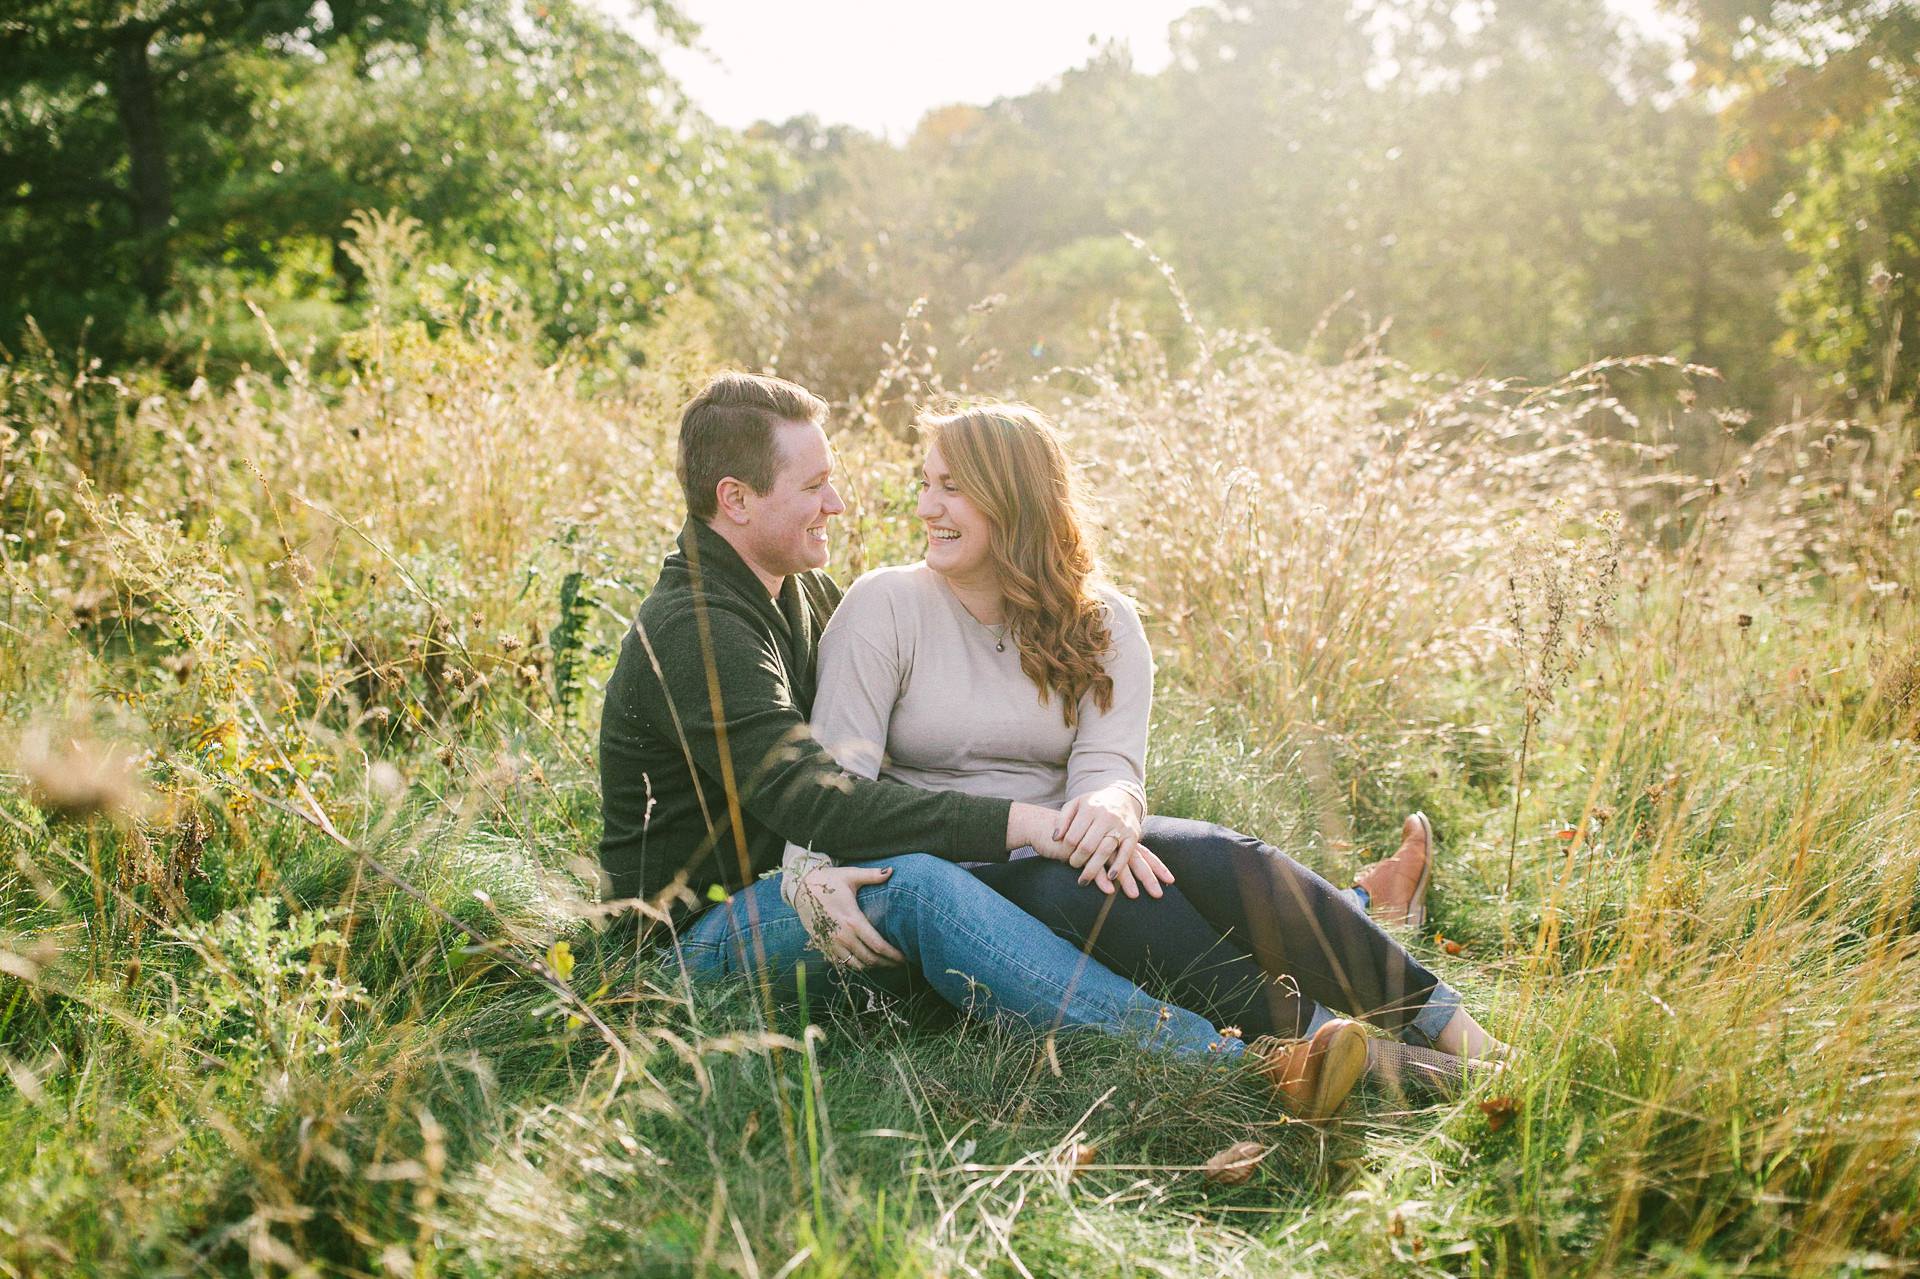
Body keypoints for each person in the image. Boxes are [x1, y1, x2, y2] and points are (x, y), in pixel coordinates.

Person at [598, 371, 1372, 1118]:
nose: (837, 503)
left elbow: (837, 751)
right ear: (733, 499)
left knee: (1174, 857)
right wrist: (824, 871)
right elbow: (809, 794)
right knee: (919, 887)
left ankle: (1360, 938)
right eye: (812, 487)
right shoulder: (696, 629)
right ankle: (1236, 1066)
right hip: (683, 945)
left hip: (798, 884)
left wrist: (812, 867)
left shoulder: (795, 591)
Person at [780, 400, 1509, 1078]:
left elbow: (1109, 762)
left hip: (1063, 843)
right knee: (1110, 889)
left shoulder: (1102, 621)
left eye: (953, 488)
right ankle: (1345, 1050)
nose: (927, 507)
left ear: (1016, 500)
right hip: (947, 870)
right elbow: (838, 780)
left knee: (1224, 858)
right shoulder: (886, 606)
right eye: (927, 483)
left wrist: (1109, 810)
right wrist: (805, 869)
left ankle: (1454, 1029)